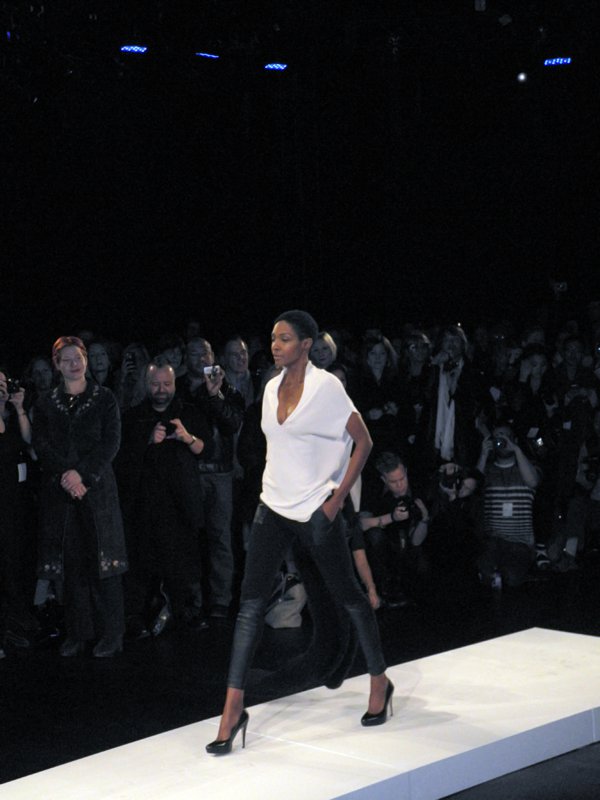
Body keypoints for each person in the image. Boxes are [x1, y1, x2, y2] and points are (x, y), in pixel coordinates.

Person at [206, 310, 392, 757]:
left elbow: (363, 442)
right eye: (273, 338)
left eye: (285, 338)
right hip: (272, 506)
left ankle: (379, 680)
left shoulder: (327, 388)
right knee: (250, 607)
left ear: (306, 344)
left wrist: (336, 500)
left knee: (350, 596)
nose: (275, 345)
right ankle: (232, 709)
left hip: (315, 509)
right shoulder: (270, 387)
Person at [33, 336, 128, 657]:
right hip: (62, 493)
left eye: (79, 358)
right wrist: (66, 475)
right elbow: (42, 444)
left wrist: (83, 476)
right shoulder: (46, 403)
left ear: (86, 360)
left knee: (105, 564)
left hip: (96, 491)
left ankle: (112, 634)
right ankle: (78, 633)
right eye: (67, 359)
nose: (74, 364)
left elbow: (111, 442)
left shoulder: (105, 398)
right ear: (57, 365)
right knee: (72, 565)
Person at [116, 363, 212, 634]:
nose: (161, 390)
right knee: (142, 563)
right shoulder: (133, 416)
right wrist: (147, 440)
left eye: (166, 384)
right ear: (147, 385)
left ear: (174, 384)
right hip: (144, 503)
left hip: (182, 503)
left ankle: (188, 612)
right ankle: (139, 616)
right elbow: (120, 457)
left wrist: (187, 437)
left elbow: (207, 449)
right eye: (156, 384)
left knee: (185, 561)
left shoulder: (188, 412)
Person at [476, 422, 541, 588]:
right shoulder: (487, 470)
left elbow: (533, 482)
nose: (501, 441)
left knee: (511, 578)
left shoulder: (527, 467)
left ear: (514, 440)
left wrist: (517, 450)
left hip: (520, 542)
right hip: (492, 540)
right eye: (497, 438)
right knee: (484, 575)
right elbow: (473, 487)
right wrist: (483, 454)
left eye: (505, 437)